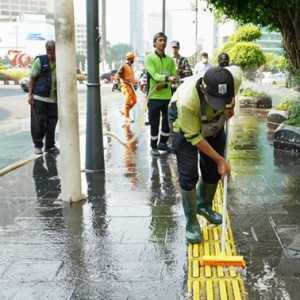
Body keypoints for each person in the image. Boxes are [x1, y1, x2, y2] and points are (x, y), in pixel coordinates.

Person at [169, 67, 235, 243]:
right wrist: (221, 160)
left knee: (213, 170)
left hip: (213, 122)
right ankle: (191, 221)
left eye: (224, 100)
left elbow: (230, 99)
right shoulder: (187, 102)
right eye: (216, 101)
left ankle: (203, 206)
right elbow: (196, 139)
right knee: (189, 173)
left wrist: (230, 107)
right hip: (183, 124)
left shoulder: (233, 79)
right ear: (204, 91)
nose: (220, 105)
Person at [144, 32, 177, 155]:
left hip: (167, 96)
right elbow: (154, 75)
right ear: (154, 43)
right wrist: (168, 79)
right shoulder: (149, 58)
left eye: (164, 40)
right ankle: (153, 146)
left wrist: (169, 80)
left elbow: (174, 75)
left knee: (167, 123)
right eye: (160, 40)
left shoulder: (170, 60)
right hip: (154, 97)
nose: (163, 43)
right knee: (154, 123)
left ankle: (162, 143)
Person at [28, 40, 58, 155]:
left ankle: (50, 146)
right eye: (48, 51)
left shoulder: (61, 61)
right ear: (46, 50)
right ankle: (37, 145)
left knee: (52, 124)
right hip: (39, 98)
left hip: (54, 100)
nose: (50, 54)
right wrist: (30, 94)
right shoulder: (40, 61)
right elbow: (32, 78)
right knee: (38, 123)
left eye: (53, 51)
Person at [115, 52, 137, 123]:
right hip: (125, 85)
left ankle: (124, 112)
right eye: (133, 58)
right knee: (127, 102)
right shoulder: (123, 65)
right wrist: (119, 83)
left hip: (130, 85)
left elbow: (130, 76)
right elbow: (117, 75)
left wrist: (135, 81)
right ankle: (126, 117)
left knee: (134, 101)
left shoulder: (130, 66)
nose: (134, 60)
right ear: (131, 58)